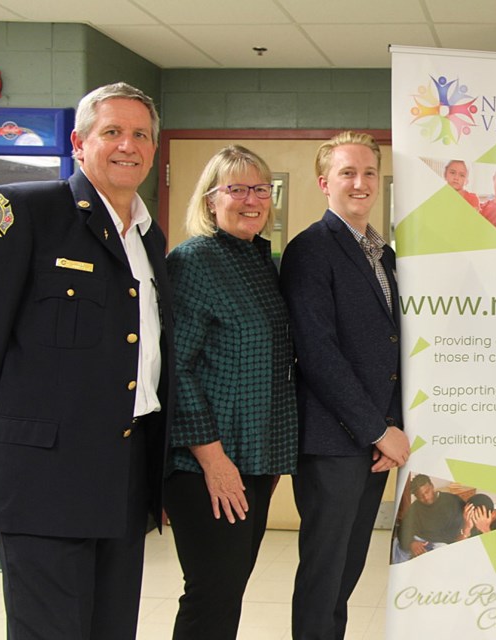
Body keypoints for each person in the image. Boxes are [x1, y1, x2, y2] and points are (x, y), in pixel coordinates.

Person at [0, 82, 174, 639]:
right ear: (79, 142)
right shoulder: (25, 212)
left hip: (123, 477)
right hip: (43, 478)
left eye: (140, 135)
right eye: (111, 131)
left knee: (112, 629)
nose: (127, 145)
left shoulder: (148, 237)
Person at [280, 131, 410, 640]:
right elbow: (318, 354)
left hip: (374, 440)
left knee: (350, 566)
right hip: (335, 441)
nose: (360, 183)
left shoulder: (385, 255)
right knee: (324, 571)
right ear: (323, 183)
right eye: (347, 173)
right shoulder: (311, 250)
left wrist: (391, 425)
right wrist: (377, 430)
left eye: (369, 173)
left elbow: (394, 347)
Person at [164, 145, 299, 639]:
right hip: (207, 466)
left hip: (253, 461)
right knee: (211, 594)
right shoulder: (193, 261)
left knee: (227, 591)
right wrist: (215, 461)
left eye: (261, 189)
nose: (251, 199)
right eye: (236, 188)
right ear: (209, 200)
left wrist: (266, 459)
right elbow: (176, 370)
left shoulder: (259, 260)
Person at [392, 474, 465, 562]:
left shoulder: (452, 500)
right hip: (420, 541)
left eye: (427, 492)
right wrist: (411, 543)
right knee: (397, 544)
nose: (425, 498)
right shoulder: (415, 508)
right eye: (420, 496)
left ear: (432, 486)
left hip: (442, 543)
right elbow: (403, 528)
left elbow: (464, 523)